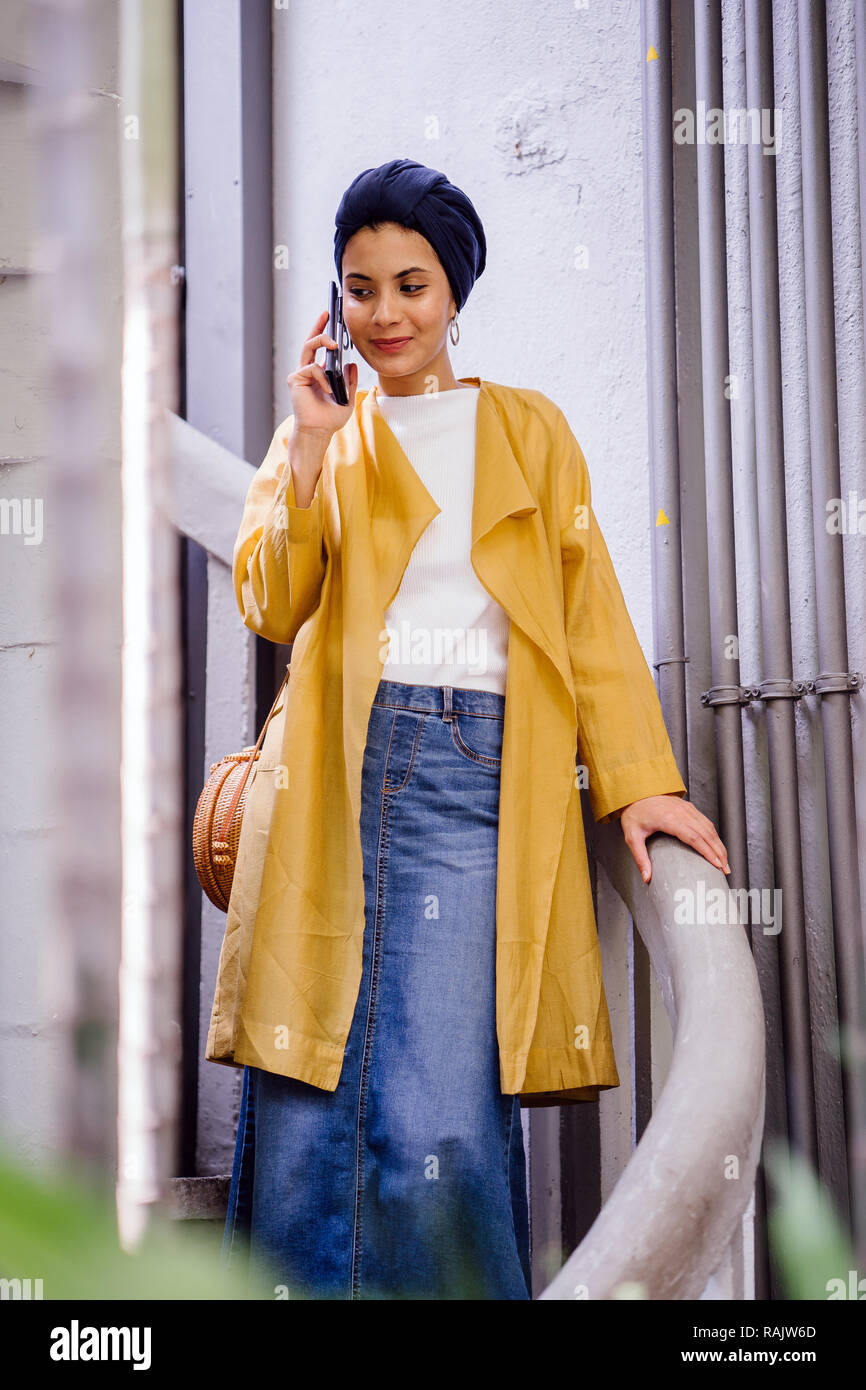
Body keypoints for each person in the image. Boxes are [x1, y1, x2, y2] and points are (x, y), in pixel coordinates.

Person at [212, 158, 730, 1301]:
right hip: (331, 772)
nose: (384, 312)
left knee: (441, 1094)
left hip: (471, 773)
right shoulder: (324, 437)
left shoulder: (527, 429)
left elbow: (586, 613)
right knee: (309, 1076)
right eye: (358, 288)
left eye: (410, 284)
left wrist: (639, 780)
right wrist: (304, 449)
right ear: (334, 304)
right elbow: (269, 599)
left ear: (452, 295)